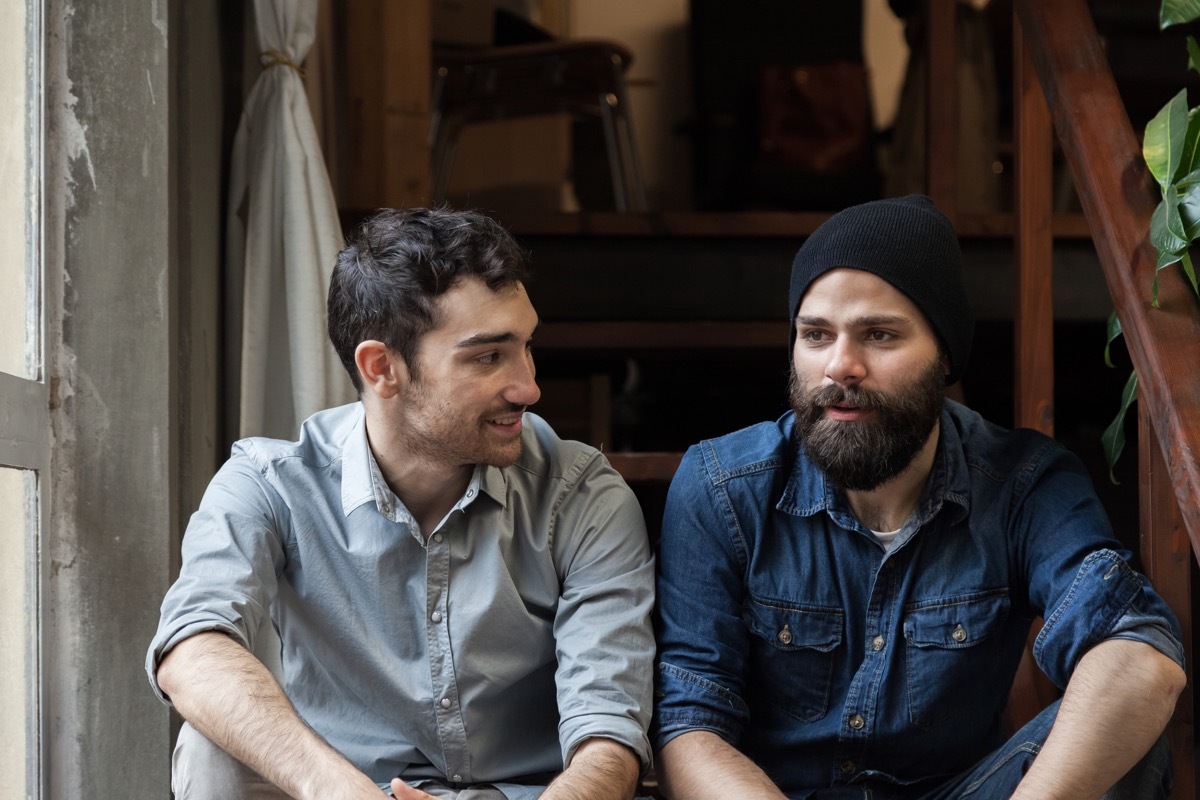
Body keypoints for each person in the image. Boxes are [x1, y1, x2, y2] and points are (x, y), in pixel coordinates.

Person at [651, 195, 1186, 799]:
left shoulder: (1023, 483)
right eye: (816, 335)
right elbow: (687, 726)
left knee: (1126, 736)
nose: (840, 366)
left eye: (879, 335)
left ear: (944, 355)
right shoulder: (723, 488)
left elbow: (1137, 654)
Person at [147, 207, 655, 800]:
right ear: (381, 367)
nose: (529, 387)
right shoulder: (270, 484)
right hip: (349, 789)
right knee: (210, 749)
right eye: (488, 357)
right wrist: (336, 789)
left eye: (526, 347)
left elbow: (609, 734)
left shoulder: (582, 493)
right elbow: (192, 648)